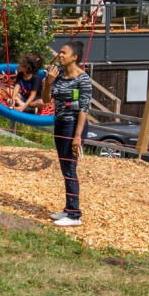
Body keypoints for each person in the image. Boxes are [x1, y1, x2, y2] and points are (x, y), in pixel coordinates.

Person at [40, 41, 92, 227]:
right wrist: (48, 83)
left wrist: (78, 136)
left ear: (74, 57)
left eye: (64, 53)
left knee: (70, 169)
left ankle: (75, 215)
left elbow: (84, 109)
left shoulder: (83, 79)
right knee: (64, 167)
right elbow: (46, 100)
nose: (59, 55)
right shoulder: (59, 76)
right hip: (60, 124)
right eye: (60, 52)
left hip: (73, 126)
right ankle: (68, 208)